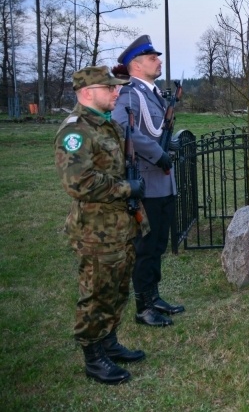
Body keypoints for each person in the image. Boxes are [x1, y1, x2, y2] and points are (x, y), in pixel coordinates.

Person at [54, 65, 147, 384]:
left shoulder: (108, 126)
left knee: (118, 288)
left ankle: (108, 342)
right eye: (109, 88)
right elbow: (78, 182)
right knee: (95, 293)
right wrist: (126, 189)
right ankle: (93, 357)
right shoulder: (75, 131)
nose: (116, 92)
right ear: (88, 92)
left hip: (120, 226)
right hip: (96, 230)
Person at [111, 35, 184, 327]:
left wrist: (168, 148)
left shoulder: (153, 93)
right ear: (136, 65)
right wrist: (157, 153)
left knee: (158, 245)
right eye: (153, 58)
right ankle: (143, 307)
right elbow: (120, 126)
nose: (159, 61)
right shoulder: (130, 94)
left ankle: (153, 297)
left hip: (163, 182)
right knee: (146, 247)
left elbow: (156, 131)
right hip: (147, 183)